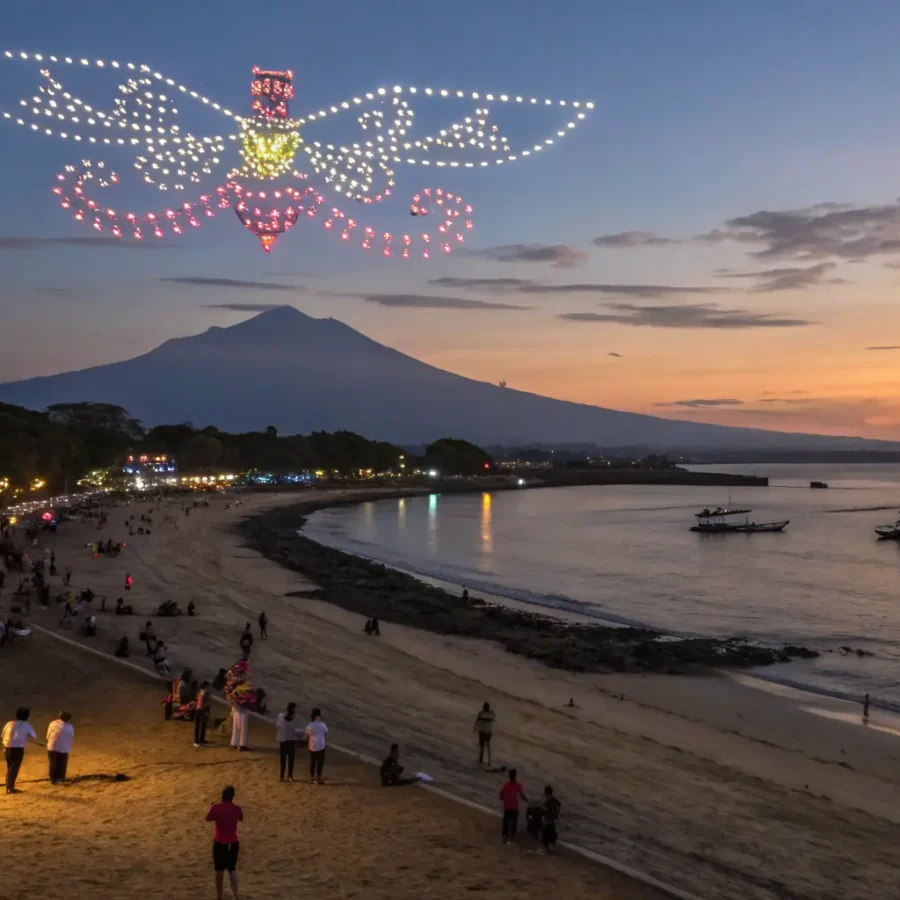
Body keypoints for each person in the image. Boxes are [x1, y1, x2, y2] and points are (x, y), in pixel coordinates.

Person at [206, 785, 243, 900]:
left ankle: (219, 896)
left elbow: (208, 818)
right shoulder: (237, 809)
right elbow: (240, 818)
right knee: (232, 869)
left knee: (219, 870)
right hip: (233, 842)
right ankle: (236, 895)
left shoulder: (216, 808)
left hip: (220, 843)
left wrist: (212, 807)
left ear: (222, 796)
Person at [2, 707, 38, 794]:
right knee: (14, 768)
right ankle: (10, 788)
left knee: (10, 767)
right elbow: (34, 736)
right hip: (17, 749)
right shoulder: (27, 725)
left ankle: (8, 786)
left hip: (7, 748)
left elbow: (3, 735)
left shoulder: (9, 723)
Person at [498, 769, 528, 844]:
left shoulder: (506, 786)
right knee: (513, 824)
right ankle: (509, 836)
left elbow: (501, 797)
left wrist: (506, 798)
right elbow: (522, 795)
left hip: (508, 807)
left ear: (509, 776)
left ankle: (505, 836)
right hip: (513, 808)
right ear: (515, 775)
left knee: (506, 823)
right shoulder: (518, 785)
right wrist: (528, 801)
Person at [46, 712, 75, 785]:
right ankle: (61, 778)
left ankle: (53, 779)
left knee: (53, 764)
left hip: (52, 747)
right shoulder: (70, 727)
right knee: (62, 764)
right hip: (64, 749)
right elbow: (71, 737)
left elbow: (48, 735)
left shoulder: (53, 723)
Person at [276, 702, 300, 781]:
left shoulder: (281, 716)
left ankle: (281, 776)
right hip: (291, 742)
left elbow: (278, 727)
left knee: (282, 760)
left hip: (282, 741)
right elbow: (297, 731)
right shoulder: (295, 719)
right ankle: (290, 776)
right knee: (291, 760)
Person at [304, 708, 328, 784]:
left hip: (312, 746)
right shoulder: (323, 724)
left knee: (313, 761)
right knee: (320, 763)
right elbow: (325, 733)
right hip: (321, 746)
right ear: (319, 716)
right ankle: (319, 778)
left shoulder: (309, 725)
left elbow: (306, 736)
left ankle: (312, 777)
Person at [474, 701, 496, 767]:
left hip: (482, 731)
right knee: (488, 746)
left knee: (482, 747)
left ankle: (480, 760)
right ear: (488, 707)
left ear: (483, 707)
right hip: (488, 732)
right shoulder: (491, 714)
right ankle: (489, 762)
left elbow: (477, 721)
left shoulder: (481, 713)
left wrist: (475, 727)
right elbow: (493, 719)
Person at [541, 785, 561, 852]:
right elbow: (559, 804)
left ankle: (549, 848)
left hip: (548, 821)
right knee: (552, 834)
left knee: (546, 836)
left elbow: (545, 813)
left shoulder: (546, 803)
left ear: (546, 793)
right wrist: (557, 813)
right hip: (553, 821)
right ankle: (553, 846)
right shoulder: (555, 800)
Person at [194, 681, 212, 747]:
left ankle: (197, 741)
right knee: (203, 726)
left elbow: (198, 700)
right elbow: (204, 702)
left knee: (197, 726)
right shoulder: (207, 692)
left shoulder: (200, 691)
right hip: (203, 710)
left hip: (197, 709)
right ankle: (201, 740)